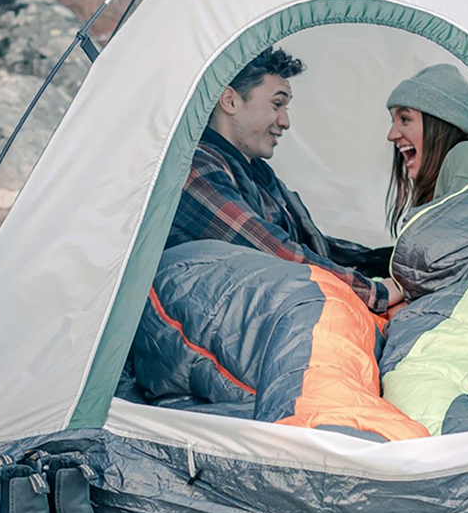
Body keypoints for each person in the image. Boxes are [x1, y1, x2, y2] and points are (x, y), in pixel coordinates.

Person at [167, 46, 404, 313]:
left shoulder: (258, 175)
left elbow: (313, 247)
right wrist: (377, 293)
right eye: (277, 104)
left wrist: (387, 263)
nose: (285, 121)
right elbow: (272, 253)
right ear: (230, 101)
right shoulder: (196, 169)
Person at [385, 63, 468, 236]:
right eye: (392, 121)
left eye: (405, 119)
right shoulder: (441, 188)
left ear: (439, 124)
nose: (391, 135)